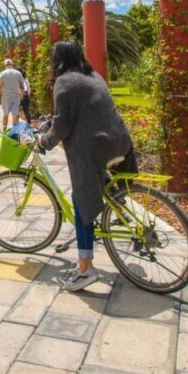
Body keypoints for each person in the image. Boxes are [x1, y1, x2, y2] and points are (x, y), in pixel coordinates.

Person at [37, 41, 133, 292]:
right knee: (90, 191)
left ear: (57, 60)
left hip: (95, 147)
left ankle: (86, 268)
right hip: (121, 141)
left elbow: (63, 126)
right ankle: (115, 205)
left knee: (81, 199)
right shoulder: (94, 75)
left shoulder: (65, 82)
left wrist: (45, 141)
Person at [0, 58, 25, 130]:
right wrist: (22, 94)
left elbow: (0, 86)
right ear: (12, 65)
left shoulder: (2, 74)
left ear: (5, 66)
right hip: (16, 97)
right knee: (15, 115)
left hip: (6, 98)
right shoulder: (18, 73)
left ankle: (4, 129)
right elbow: (21, 85)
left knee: (5, 114)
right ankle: (15, 131)